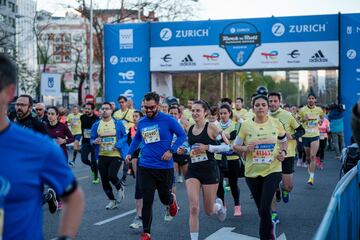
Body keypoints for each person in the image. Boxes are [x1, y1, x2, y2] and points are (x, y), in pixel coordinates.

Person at [0, 53, 84, 239]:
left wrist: (65, 237)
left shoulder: (40, 145)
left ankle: (48, 196)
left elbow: (74, 197)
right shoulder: (14, 118)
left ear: (9, 92)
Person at [125, 92, 186, 240]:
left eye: (151, 107)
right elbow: (137, 138)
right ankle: (146, 232)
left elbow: (182, 135)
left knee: (164, 198)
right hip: (145, 166)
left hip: (164, 167)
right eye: (146, 107)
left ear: (158, 105)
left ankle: (171, 201)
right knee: (147, 200)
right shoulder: (142, 122)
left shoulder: (168, 120)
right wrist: (129, 153)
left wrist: (171, 151)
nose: (148, 110)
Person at [233, 94, 287, 240]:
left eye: (263, 105)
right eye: (257, 105)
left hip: (273, 170)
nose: (261, 107)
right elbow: (235, 146)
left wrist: (283, 152)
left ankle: (266, 237)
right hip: (252, 173)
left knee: (264, 208)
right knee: (262, 211)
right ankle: (270, 228)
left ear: (268, 107)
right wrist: (246, 149)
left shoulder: (276, 123)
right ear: (253, 108)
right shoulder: (246, 125)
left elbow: (283, 140)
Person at [183, 100, 230, 240]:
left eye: (198, 110)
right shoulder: (190, 128)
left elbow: (228, 146)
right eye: (193, 110)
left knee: (209, 210)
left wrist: (208, 147)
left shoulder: (212, 128)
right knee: (194, 208)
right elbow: (190, 148)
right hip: (193, 170)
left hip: (209, 170)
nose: (195, 113)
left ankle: (219, 206)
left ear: (205, 113)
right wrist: (183, 150)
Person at [268, 92, 305, 224]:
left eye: (275, 101)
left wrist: (293, 136)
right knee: (271, 185)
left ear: (279, 102)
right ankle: (273, 213)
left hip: (287, 154)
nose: (272, 103)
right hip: (271, 156)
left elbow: (301, 130)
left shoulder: (288, 115)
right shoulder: (263, 116)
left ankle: (283, 189)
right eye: (270, 101)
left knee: (288, 186)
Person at [91, 102, 128, 210]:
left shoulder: (118, 123)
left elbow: (125, 136)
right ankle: (112, 201)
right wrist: (94, 141)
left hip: (115, 154)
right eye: (102, 109)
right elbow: (91, 139)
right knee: (104, 180)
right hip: (102, 155)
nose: (104, 110)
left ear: (111, 111)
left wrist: (119, 144)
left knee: (112, 175)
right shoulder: (96, 125)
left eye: (107, 108)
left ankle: (119, 188)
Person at [215, 103, 243, 217]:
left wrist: (220, 135)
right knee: (219, 183)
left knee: (233, 184)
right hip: (218, 158)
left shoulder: (236, 125)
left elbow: (232, 136)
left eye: (225, 113)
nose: (223, 115)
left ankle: (237, 206)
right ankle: (223, 206)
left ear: (230, 113)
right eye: (221, 113)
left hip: (233, 158)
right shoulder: (215, 125)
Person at [45, 106, 75, 210]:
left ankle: (59, 200)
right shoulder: (44, 127)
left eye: (52, 114)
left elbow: (72, 138)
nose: (50, 116)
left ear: (57, 115)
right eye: (48, 114)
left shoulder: (63, 127)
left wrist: (64, 141)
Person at [298, 94, 323, 185]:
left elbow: (322, 119)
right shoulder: (302, 110)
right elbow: (298, 121)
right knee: (308, 157)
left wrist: (320, 121)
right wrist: (303, 119)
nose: (311, 100)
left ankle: (311, 177)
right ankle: (309, 165)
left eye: (312, 98)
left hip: (315, 135)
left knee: (313, 156)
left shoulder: (319, 110)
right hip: (305, 136)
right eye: (309, 98)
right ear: (307, 100)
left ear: (315, 100)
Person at [129, 110, 144, 229]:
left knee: (163, 193)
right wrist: (128, 153)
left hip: (154, 158)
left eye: (136, 116)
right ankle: (139, 217)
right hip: (137, 155)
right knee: (139, 185)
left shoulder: (150, 125)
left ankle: (170, 200)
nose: (135, 118)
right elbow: (131, 141)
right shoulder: (132, 128)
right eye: (133, 116)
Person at [80, 102, 100, 184]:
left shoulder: (97, 119)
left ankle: (96, 177)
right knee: (84, 159)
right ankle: (91, 166)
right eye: (85, 108)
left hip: (94, 142)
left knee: (94, 160)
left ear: (92, 110)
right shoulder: (82, 117)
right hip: (85, 141)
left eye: (88, 109)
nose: (86, 110)